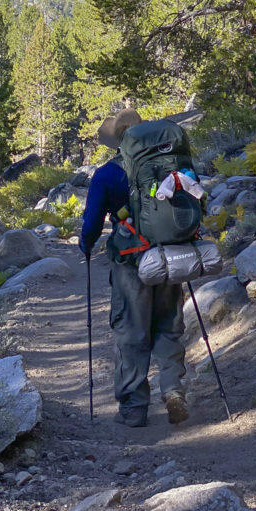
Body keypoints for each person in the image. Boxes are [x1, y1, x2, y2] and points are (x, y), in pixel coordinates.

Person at [79, 109, 188, 428]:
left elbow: (92, 225)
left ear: (116, 141)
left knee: (132, 330)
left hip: (131, 260)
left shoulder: (107, 174)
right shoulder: (168, 166)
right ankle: (172, 390)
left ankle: (134, 407)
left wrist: (86, 247)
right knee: (168, 326)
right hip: (170, 255)